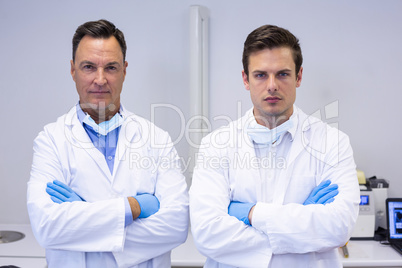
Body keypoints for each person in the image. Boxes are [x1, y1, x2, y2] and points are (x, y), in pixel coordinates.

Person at [189, 25, 360, 267]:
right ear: (245, 79)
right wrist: (301, 222)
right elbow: (208, 235)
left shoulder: (333, 142)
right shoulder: (216, 145)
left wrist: (250, 213)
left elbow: (338, 228)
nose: (271, 85)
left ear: (298, 77)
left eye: (282, 74)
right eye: (260, 75)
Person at [27, 19, 189, 268]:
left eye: (111, 67)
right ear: (73, 70)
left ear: (124, 70)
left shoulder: (157, 139)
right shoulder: (51, 141)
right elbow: (48, 228)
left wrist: (84, 217)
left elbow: (176, 225)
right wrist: (132, 207)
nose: (100, 79)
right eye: (89, 67)